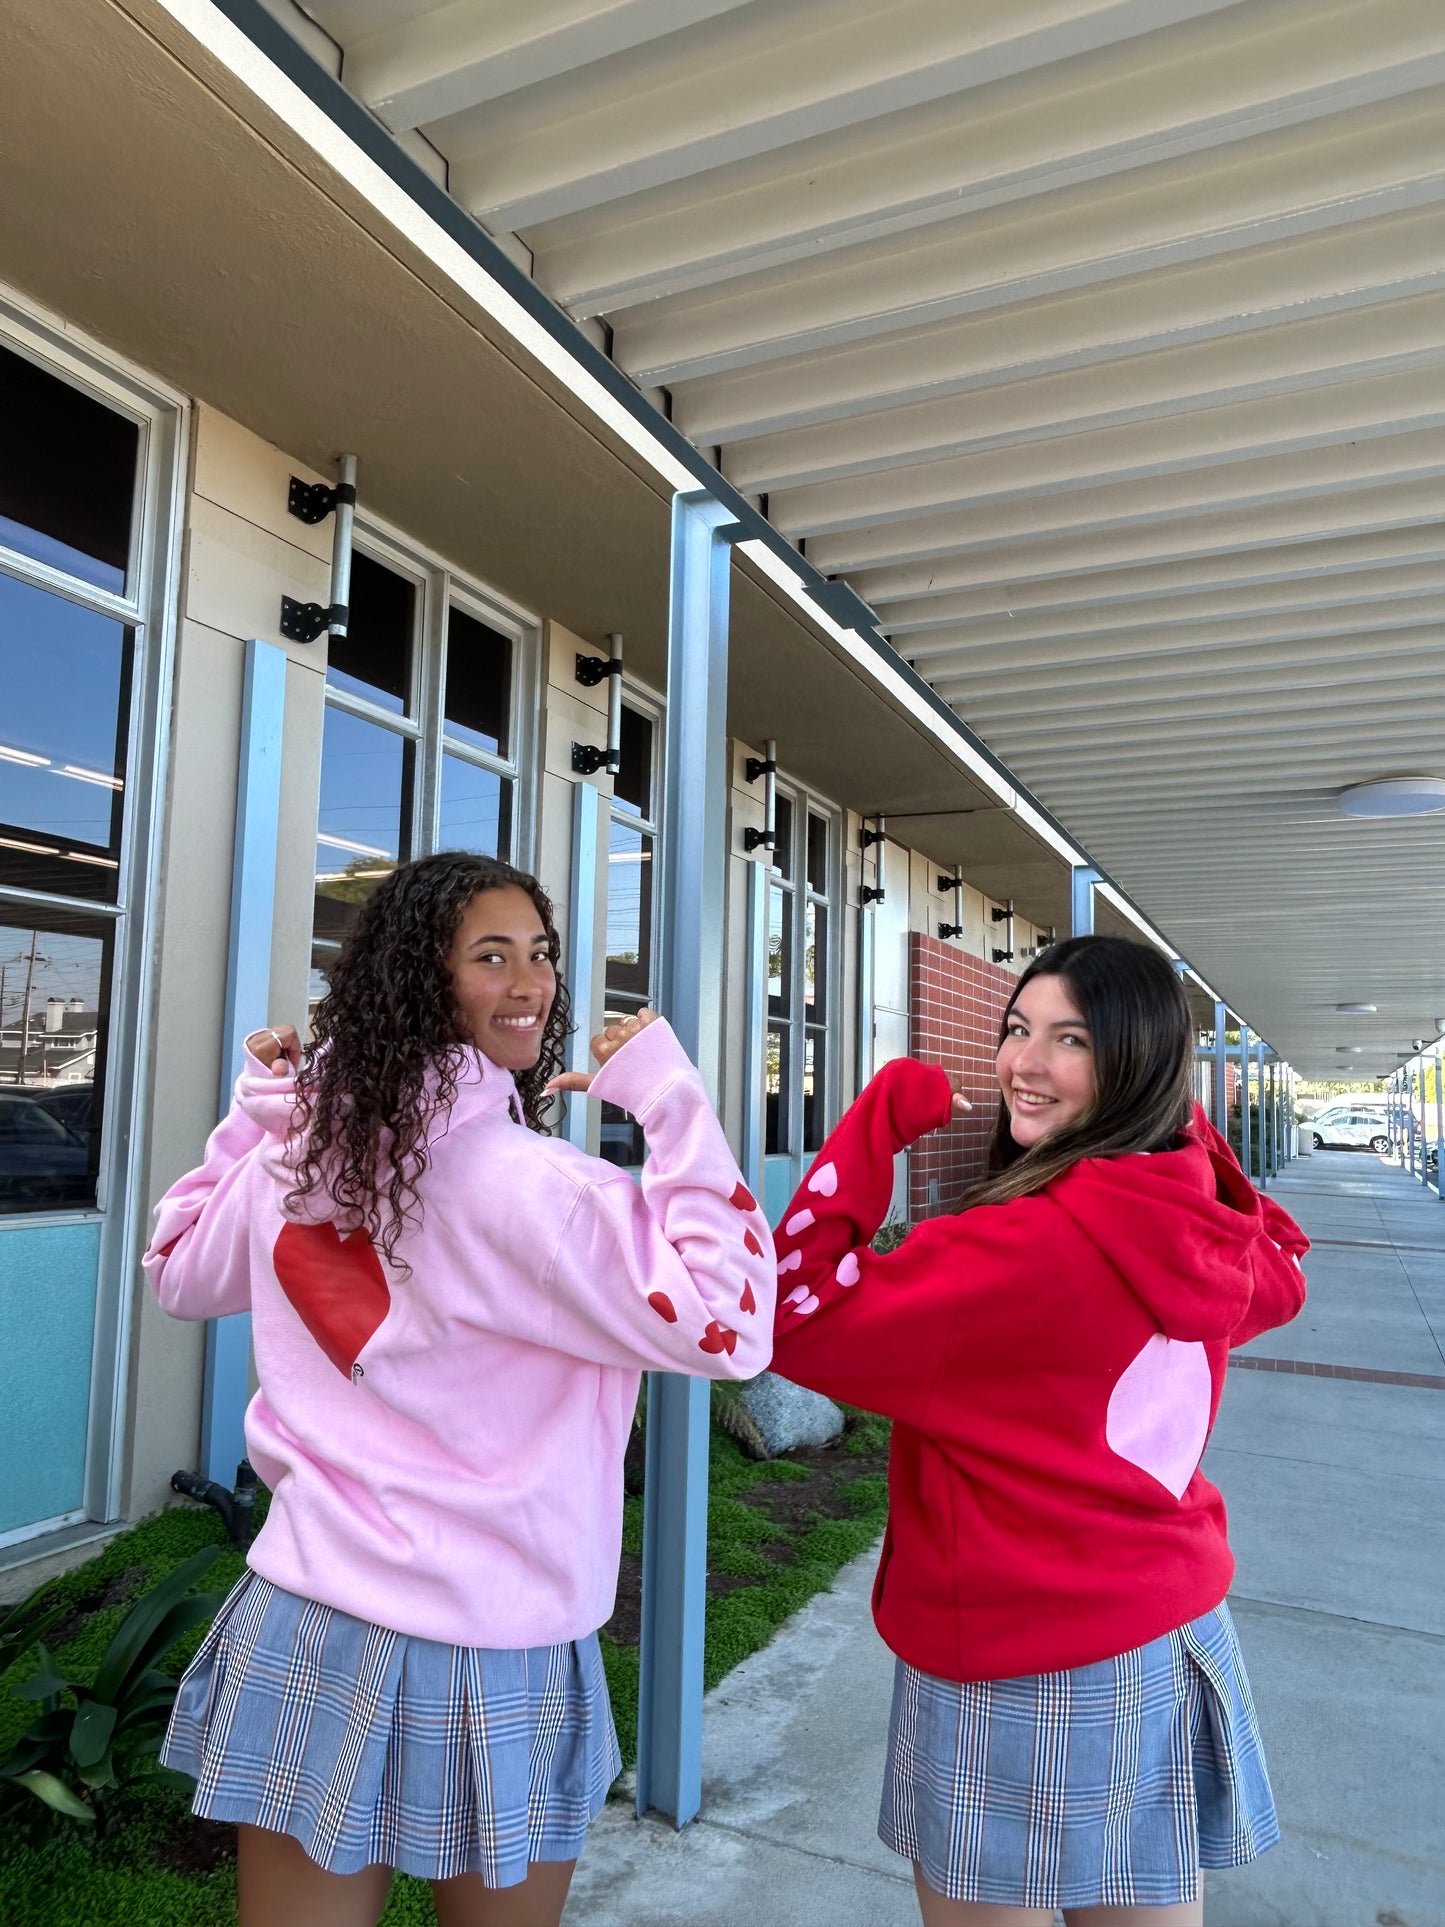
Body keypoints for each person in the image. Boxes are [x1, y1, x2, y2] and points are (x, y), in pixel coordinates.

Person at [144, 851, 774, 1927]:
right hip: (500, 1637)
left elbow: (176, 1268)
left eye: (540, 954)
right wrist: (671, 1107)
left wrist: (262, 1119)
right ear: (416, 979)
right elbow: (735, 1322)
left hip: (314, 1615)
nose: (530, 983)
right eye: (491, 955)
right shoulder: (546, 1193)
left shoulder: (298, 1160)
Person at [769, 935, 1307, 1927]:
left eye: (1069, 1039)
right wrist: (1176, 1125)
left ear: (1131, 1063)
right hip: (1167, 1633)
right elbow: (1282, 1259)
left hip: (1024, 1662)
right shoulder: (1208, 1232)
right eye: (1017, 1028)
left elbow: (786, 1305)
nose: (1021, 1060)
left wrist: (872, 1124)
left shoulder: (1011, 1251)